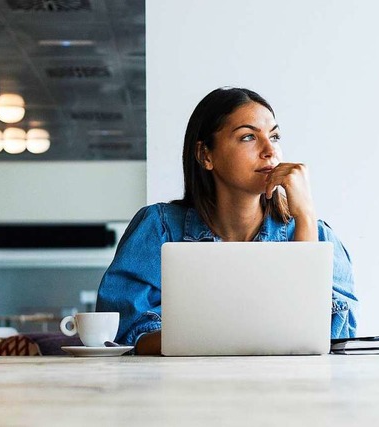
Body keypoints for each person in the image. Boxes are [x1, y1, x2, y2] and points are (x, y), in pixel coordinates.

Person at [96, 87, 358, 355]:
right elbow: (122, 333)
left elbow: (328, 339)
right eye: (248, 137)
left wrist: (305, 217)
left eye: (275, 136)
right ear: (205, 155)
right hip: (184, 390)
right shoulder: (159, 228)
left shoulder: (318, 235)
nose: (270, 150)